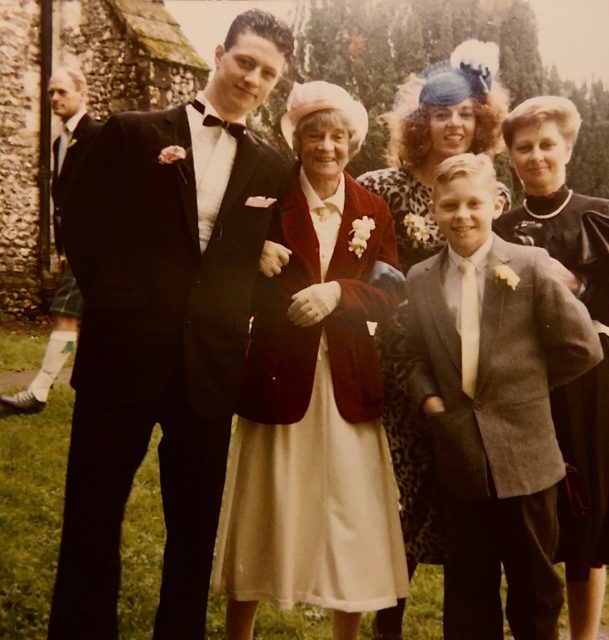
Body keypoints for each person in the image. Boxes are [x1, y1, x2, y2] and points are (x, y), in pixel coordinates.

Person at [46, 10, 295, 640]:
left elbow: (261, 250)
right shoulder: (132, 134)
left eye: (268, 72)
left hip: (208, 371)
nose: (253, 78)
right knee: (92, 517)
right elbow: (79, 224)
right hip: (121, 358)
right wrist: (120, 299)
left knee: (193, 533)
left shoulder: (271, 168)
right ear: (219, 54)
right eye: (246, 62)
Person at [212, 80, 409, 640]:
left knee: (352, 512)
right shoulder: (267, 194)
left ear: (354, 142)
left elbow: (392, 292)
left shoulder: (373, 209)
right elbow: (217, 253)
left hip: (347, 379)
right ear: (296, 140)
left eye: (338, 136)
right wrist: (249, 250)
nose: (327, 146)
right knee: (265, 506)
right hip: (278, 375)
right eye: (314, 135)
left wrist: (340, 295)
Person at [405, 153, 603, 640]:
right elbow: (412, 357)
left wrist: (528, 386)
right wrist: (432, 401)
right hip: (461, 456)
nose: (463, 215)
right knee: (468, 592)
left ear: (497, 204)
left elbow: (583, 348)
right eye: (450, 205)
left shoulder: (531, 266)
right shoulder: (421, 279)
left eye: (474, 203)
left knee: (536, 592)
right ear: (433, 209)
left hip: (528, 459)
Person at [356, 39, 510, 639]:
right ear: (421, 122)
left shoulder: (491, 187)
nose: (454, 124)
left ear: (482, 119)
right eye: (442, 113)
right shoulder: (381, 186)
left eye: (466, 113)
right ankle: (387, 617)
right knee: (414, 486)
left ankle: (467, 620)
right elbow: (350, 260)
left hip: (472, 362)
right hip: (402, 360)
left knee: (470, 489)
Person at [494, 95, 609, 640]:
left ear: (568, 148)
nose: (536, 156)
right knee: (528, 516)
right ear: (511, 155)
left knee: (588, 516)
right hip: (522, 383)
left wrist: (582, 286)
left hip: (590, 379)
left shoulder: (607, 215)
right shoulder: (498, 225)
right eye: (524, 147)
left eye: (547, 144)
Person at [0, 67, 101, 415]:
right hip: (75, 249)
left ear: (82, 92)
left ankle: (38, 392)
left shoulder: (98, 134)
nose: (55, 98)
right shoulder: (60, 141)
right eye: (50, 93)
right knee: (94, 321)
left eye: (62, 92)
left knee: (64, 313)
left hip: (95, 248)